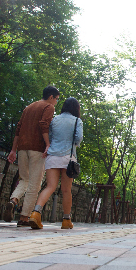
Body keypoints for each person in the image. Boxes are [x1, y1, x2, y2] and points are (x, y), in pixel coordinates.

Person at [5, 86, 60, 226]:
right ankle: (24, 217)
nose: (56, 103)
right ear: (51, 97)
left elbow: (18, 128)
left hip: (22, 148)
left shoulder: (28, 107)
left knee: (24, 179)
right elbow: (44, 125)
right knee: (35, 184)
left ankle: (14, 200)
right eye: (57, 99)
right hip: (37, 149)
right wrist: (48, 144)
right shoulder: (48, 107)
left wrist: (13, 150)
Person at [28, 97, 83, 229]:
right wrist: (75, 144)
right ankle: (66, 220)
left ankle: (35, 213)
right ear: (76, 108)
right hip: (68, 158)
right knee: (66, 190)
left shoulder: (55, 119)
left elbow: (50, 136)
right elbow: (78, 138)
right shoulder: (77, 121)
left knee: (50, 187)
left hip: (52, 156)